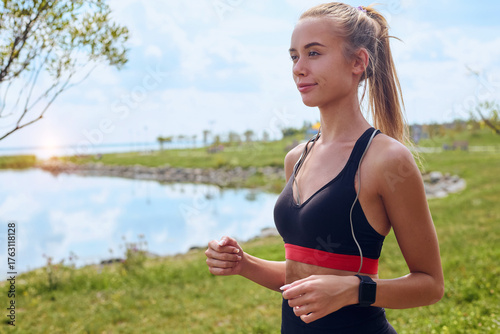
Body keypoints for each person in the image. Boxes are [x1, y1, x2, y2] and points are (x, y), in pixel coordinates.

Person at [205, 2, 444, 333]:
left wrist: (355, 290)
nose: (299, 68)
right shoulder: (296, 158)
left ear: (358, 62)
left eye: (313, 53)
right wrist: (244, 264)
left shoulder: (386, 159)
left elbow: (430, 285)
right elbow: (300, 275)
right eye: (294, 56)